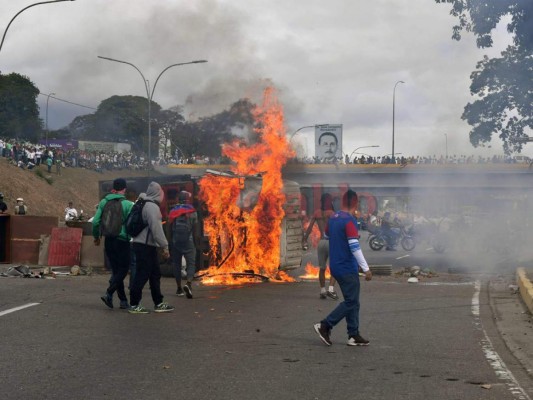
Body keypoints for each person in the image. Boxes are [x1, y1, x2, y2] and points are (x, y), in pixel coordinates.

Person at [314, 189, 372, 346]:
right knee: (351, 301)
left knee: (353, 301)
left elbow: (326, 235)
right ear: (355, 203)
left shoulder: (334, 218)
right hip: (347, 267)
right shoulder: (349, 220)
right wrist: (365, 268)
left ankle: (353, 335)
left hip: (336, 266)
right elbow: (354, 246)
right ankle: (325, 325)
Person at [129, 181, 174, 314]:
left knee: (155, 274)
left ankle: (158, 302)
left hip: (142, 244)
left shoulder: (142, 203)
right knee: (142, 274)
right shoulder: (152, 208)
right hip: (145, 246)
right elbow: (156, 229)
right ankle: (134, 304)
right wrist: (165, 246)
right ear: (158, 194)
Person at [92, 178, 134, 310]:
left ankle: (123, 301)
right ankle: (109, 292)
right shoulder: (128, 204)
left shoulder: (104, 202)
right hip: (122, 240)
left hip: (108, 239)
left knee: (116, 270)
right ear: (124, 189)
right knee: (123, 269)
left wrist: (97, 236)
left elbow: (95, 222)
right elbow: (132, 223)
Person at [302, 193, 338, 300]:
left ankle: (322, 291)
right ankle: (331, 289)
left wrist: (304, 238)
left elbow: (309, 228)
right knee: (335, 268)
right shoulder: (333, 214)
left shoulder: (317, 213)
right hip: (332, 242)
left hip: (321, 243)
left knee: (322, 268)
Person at [168, 190, 199, 299]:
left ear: (178, 199)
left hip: (176, 241)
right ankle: (189, 284)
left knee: (176, 264)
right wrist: (196, 243)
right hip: (188, 241)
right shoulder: (192, 211)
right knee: (191, 263)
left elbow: (169, 228)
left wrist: (170, 242)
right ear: (187, 199)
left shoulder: (173, 211)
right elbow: (195, 230)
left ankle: (179, 288)